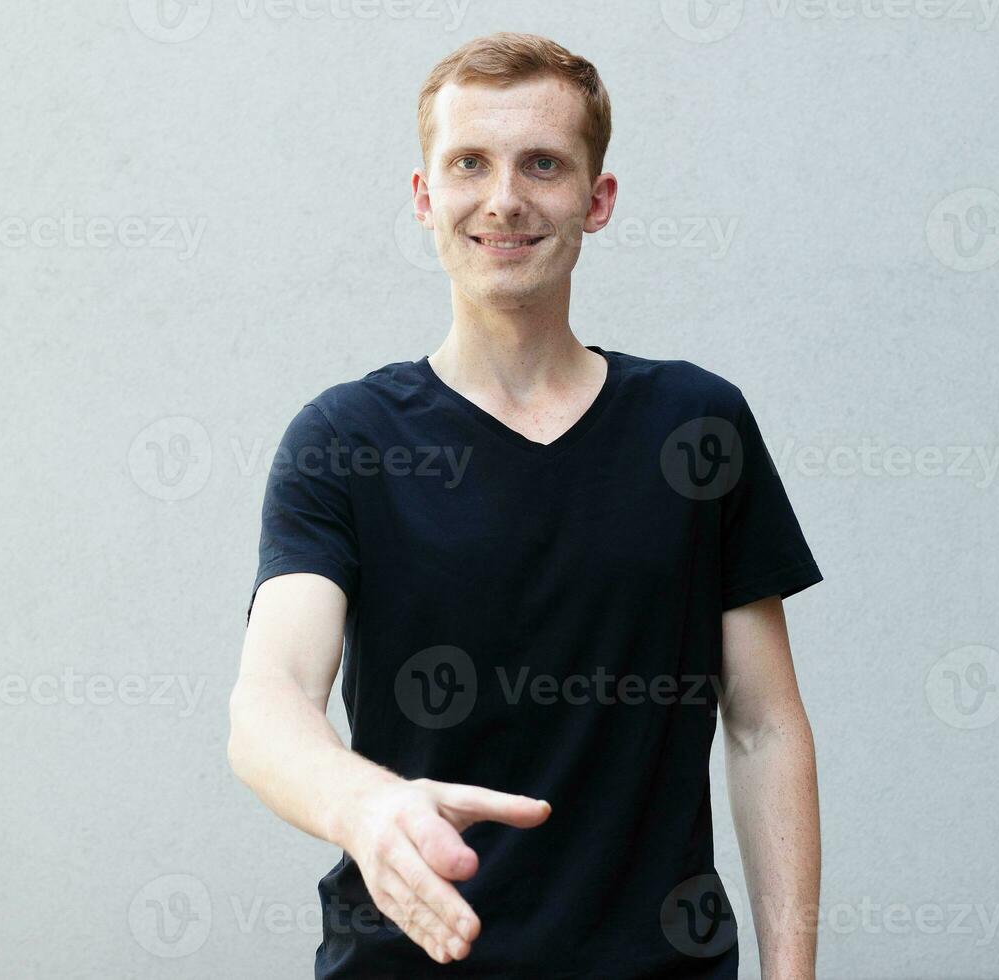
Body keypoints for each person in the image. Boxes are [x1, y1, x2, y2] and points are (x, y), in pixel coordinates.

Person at [228, 31, 824, 979]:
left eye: (542, 164)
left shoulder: (697, 427)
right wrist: (365, 808)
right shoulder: (346, 437)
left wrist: (794, 976)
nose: (503, 198)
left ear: (598, 199)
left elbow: (764, 724)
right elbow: (269, 705)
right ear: (425, 196)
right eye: (470, 163)